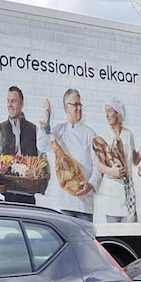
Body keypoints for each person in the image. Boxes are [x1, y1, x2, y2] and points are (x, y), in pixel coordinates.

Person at [41, 88, 99, 220]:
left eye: (80, 104)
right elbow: (42, 145)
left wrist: (91, 185)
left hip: (85, 204)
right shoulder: (59, 131)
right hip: (65, 202)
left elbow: (98, 166)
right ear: (66, 108)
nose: (79, 108)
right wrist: (46, 118)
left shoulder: (90, 134)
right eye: (75, 105)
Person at [0, 85, 48, 205]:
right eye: (8, 101)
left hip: (28, 193)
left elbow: (42, 156)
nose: (9, 105)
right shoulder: (2, 128)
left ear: (22, 105)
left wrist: (45, 176)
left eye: (13, 101)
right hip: (9, 192)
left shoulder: (33, 129)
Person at [95, 99, 138, 223]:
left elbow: (134, 160)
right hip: (112, 191)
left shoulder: (128, 134)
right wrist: (112, 171)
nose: (107, 115)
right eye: (106, 111)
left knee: (131, 230)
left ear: (118, 113)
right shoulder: (103, 136)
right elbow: (99, 165)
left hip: (128, 190)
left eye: (109, 111)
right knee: (113, 229)